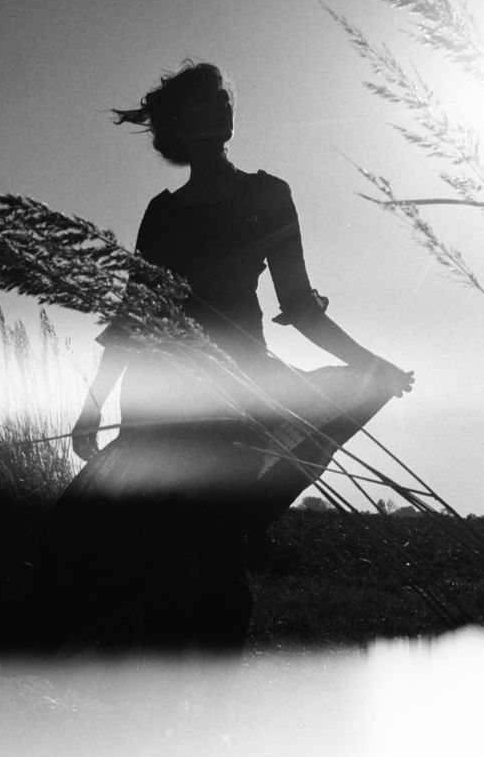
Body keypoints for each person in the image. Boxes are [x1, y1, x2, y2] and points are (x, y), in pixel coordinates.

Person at [54, 61, 414, 655]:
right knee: (165, 563)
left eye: (225, 98)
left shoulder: (268, 194)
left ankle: (215, 695)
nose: (224, 107)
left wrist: (372, 364)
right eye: (208, 100)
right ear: (182, 123)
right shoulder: (161, 212)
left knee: (220, 554)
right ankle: (161, 695)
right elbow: (134, 315)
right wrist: (93, 406)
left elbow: (300, 306)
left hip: (237, 394)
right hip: (160, 402)